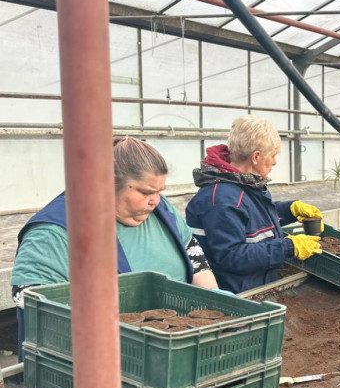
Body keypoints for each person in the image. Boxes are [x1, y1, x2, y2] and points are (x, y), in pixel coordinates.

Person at [13, 138, 218, 361]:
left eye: (159, 191)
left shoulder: (162, 210)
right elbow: (34, 306)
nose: (155, 201)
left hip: (173, 353)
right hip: (99, 365)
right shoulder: (53, 234)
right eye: (146, 192)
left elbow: (194, 257)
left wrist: (215, 304)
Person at [185, 116, 323, 293]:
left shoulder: (243, 184)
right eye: (273, 155)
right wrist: (288, 246)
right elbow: (232, 256)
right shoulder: (221, 198)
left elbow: (252, 217)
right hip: (236, 296)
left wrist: (289, 209)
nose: (274, 162)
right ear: (256, 157)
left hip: (256, 286)